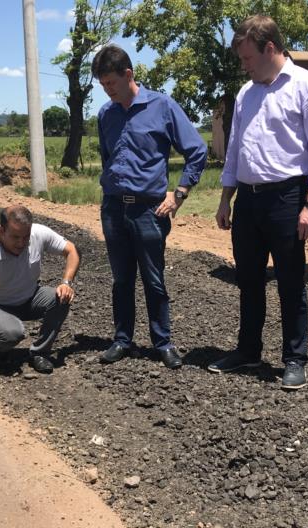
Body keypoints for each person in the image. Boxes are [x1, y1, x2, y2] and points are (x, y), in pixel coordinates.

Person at [209, 15, 308, 390]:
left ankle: (294, 359)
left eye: (248, 58)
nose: (244, 66)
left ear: (270, 48)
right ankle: (248, 350)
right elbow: (235, 149)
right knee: (248, 280)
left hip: (287, 197)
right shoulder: (245, 94)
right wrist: (225, 199)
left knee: (290, 282)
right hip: (247, 201)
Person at [92, 44, 208, 370]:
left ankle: (163, 343)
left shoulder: (162, 106)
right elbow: (108, 158)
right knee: (121, 279)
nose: (107, 91)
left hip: (149, 210)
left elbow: (197, 150)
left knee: (154, 280)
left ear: (128, 74)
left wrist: (179, 193)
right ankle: (121, 340)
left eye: (111, 84)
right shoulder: (106, 114)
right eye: (102, 86)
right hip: (114, 208)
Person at [0, 205, 80, 374]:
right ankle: (0, 349)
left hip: (30, 297)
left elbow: (71, 250)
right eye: (15, 237)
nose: (21, 243)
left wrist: (66, 282)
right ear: (1, 230)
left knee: (61, 298)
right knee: (12, 333)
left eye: (25, 237)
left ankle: (40, 353)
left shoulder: (38, 234)